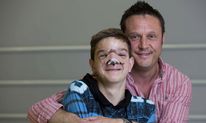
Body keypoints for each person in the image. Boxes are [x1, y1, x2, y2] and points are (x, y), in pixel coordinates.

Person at [27, 1, 192, 123]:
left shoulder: (179, 83)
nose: (143, 45)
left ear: (162, 39)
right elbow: (37, 110)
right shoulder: (107, 74)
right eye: (134, 37)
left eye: (151, 36)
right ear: (124, 40)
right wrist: (69, 119)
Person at [61, 28, 156, 123]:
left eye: (121, 54)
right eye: (103, 55)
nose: (113, 60)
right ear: (93, 65)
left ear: (130, 64)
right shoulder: (80, 92)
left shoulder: (146, 108)